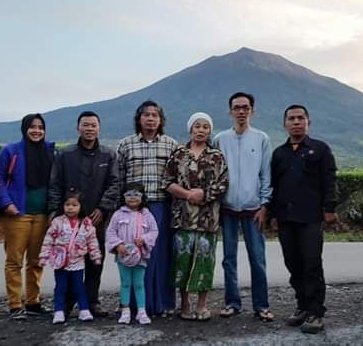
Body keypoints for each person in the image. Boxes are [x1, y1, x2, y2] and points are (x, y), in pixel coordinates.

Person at [269, 104, 338, 334]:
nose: (296, 122)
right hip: (286, 218)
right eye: (291, 118)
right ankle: (302, 306)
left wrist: (329, 209)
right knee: (293, 264)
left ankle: (316, 312)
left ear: (308, 122)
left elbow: (330, 182)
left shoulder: (320, 150)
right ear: (284, 124)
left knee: (311, 264)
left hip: (310, 218)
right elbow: (274, 186)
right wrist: (272, 215)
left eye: (300, 118)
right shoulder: (279, 153)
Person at [48, 111, 119, 317]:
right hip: (69, 218)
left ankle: (91, 301)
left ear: (99, 128)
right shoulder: (65, 154)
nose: (89, 129)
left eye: (93, 125)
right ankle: (67, 302)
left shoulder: (109, 154)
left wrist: (104, 208)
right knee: (69, 260)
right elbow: (55, 184)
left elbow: (114, 183)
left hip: (97, 218)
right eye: (85, 125)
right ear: (78, 128)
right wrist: (55, 211)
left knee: (95, 260)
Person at [213, 92, 274, 321]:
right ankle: (232, 302)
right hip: (228, 209)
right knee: (229, 259)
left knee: (257, 258)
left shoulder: (261, 139)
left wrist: (265, 205)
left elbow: (266, 175)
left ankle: (262, 305)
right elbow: (214, 174)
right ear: (230, 111)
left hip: (253, 209)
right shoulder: (220, 139)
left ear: (252, 111)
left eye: (245, 107)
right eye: (237, 107)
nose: (241, 111)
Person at [162, 112, 228, 321]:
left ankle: (202, 305)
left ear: (210, 131)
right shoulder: (179, 154)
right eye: (197, 126)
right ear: (190, 129)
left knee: (204, 262)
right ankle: (185, 304)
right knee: (182, 261)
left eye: (205, 127)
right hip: (182, 218)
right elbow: (167, 181)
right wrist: (187, 194)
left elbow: (223, 183)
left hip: (207, 219)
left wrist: (204, 194)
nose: (201, 130)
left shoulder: (216, 156)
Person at [116, 100, 178, 316]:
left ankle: (162, 304)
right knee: (135, 254)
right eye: (146, 114)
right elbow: (120, 179)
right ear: (138, 119)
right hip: (134, 209)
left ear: (160, 120)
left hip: (161, 205)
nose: (150, 118)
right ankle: (134, 304)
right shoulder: (126, 145)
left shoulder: (171, 145)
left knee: (160, 255)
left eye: (155, 115)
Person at [0, 114, 56, 320]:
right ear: (24, 129)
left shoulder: (50, 151)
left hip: (43, 215)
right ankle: (14, 304)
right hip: (16, 214)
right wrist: (6, 203)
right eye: (32, 127)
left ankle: (33, 302)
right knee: (14, 261)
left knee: (37, 261)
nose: (36, 130)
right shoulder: (10, 151)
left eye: (40, 127)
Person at [38, 190, 102, 324]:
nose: (70, 208)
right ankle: (59, 310)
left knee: (79, 286)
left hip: (78, 261)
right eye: (67, 204)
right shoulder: (57, 222)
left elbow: (92, 241)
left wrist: (96, 256)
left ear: (81, 207)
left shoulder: (86, 223)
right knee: (61, 287)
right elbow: (48, 239)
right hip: (60, 262)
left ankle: (84, 309)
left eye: (74, 205)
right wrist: (43, 256)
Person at [105, 182, 159, 325]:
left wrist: (145, 240)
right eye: (128, 195)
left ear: (142, 197)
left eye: (136, 194)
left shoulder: (147, 215)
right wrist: (118, 245)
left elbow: (154, 231)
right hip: (123, 256)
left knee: (139, 283)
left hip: (140, 255)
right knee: (125, 283)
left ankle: (142, 311)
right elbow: (110, 232)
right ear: (123, 197)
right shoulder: (117, 215)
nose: (132, 198)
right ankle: (125, 310)